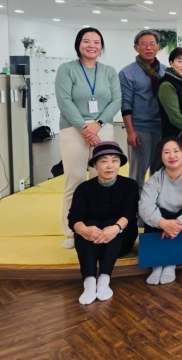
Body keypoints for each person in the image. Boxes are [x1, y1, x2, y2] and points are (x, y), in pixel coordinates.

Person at [56, 27, 120, 249]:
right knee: (74, 179)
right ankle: (71, 231)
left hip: (103, 128)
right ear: (78, 44)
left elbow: (116, 100)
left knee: (103, 178)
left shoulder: (109, 71)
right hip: (73, 129)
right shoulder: (67, 70)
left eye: (96, 42)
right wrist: (84, 128)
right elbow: (64, 100)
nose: (91, 45)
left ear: (101, 46)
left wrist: (98, 124)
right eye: (86, 41)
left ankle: (99, 225)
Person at [67, 141, 139, 305]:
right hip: (91, 242)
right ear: (95, 165)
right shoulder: (84, 188)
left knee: (111, 222)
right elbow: (74, 217)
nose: (110, 166)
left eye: (114, 160)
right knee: (89, 223)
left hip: (121, 240)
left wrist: (115, 228)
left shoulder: (129, 185)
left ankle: (104, 280)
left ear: (120, 163)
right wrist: (84, 230)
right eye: (104, 161)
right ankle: (89, 281)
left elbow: (129, 212)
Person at [139, 137, 182, 285]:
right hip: (162, 226)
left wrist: (178, 223)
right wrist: (162, 223)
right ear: (161, 157)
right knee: (156, 214)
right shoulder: (155, 179)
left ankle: (171, 263)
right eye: (166, 152)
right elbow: (145, 206)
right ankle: (157, 265)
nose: (172, 156)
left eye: (176, 151)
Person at [119, 30, 166, 190]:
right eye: (144, 44)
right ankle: (134, 205)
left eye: (152, 44)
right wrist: (130, 131)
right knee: (137, 174)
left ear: (157, 47)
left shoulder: (164, 70)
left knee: (160, 173)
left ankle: (155, 204)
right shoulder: (127, 73)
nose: (148, 48)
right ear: (136, 47)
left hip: (162, 128)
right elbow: (125, 104)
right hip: (140, 129)